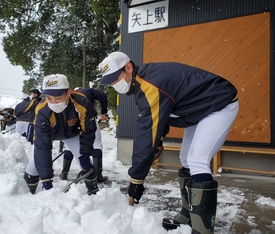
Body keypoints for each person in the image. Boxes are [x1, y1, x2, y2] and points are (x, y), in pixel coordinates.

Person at [98, 51, 239, 234]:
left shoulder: (149, 84)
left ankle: (202, 229)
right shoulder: (141, 82)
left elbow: (146, 133)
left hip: (219, 104)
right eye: (111, 82)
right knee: (186, 159)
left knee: (197, 160)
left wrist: (136, 179)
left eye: (116, 79)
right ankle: (188, 214)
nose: (114, 85)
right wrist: (159, 139)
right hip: (199, 110)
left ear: (129, 67)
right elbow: (160, 116)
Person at [23, 74, 99, 195]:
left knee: (86, 164)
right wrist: (46, 180)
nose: (53, 102)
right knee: (35, 165)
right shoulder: (42, 111)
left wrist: (85, 153)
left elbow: (88, 130)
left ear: (68, 93)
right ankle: (26, 192)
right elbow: (42, 146)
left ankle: (94, 191)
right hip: (50, 134)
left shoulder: (82, 102)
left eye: (58, 98)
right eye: (49, 98)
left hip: (72, 133)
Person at [59, 87, 109, 182]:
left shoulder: (68, 96)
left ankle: (64, 173)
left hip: (72, 122)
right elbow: (103, 95)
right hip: (88, 119)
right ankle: (98, 176)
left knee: (69, 147)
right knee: (96, 144)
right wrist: (104, 112)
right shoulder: (88, 91)